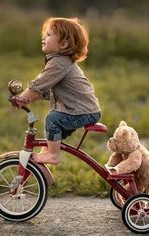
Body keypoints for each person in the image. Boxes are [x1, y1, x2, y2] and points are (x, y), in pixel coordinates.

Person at [13, 17, 101, 165]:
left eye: (48, 35)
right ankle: (45, 170)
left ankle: (53, 157)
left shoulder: (60, 63)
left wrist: (22, 96)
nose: (43, 37)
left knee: (53, 119)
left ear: (63, 44)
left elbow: (39, 83)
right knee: (48, 140)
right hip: (83, 110)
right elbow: (47, 91)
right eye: (44, 34)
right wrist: (27, 100)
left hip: (84, 112)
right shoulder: (59, 61)